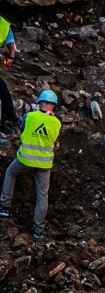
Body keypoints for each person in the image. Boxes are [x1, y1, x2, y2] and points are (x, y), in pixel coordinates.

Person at [0, 88, 61, 241]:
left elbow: (22, 129)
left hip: (25, 159)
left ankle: (4, 207)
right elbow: (55, 141)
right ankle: (38, 231)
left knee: (10, 173)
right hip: (44, 164)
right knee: (42, 195)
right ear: (53, 106)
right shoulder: (56, 122)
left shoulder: (29, 116)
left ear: (40, 103)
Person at [0, 15, 19, 144]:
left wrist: (10, 60)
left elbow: (12, 48)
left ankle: (8, 119)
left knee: (3, 89)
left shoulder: (4, 26)